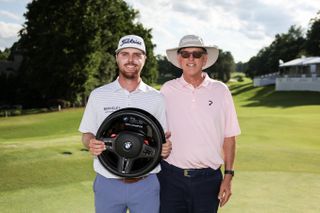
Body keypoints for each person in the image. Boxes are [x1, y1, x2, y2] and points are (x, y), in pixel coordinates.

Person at [79, 34, 172, 213]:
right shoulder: (99, 95)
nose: (131, 60)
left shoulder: (157, 98)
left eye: (137, 54)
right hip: (107, 184)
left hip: (146, 185)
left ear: (145, 59)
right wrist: (91, 143)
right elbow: (86, 134)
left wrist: (166, 148)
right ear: (116, 57)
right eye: (125, 54)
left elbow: (161, 140)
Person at [158, 34, 241, 213]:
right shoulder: (167, 90)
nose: (191, 58)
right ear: (179, 59)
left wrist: (228, 176)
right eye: (185, 54)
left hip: (208, 181)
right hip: (171, 178)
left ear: (205, 59)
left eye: (196, 54)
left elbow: (229, 138)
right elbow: (157, 133)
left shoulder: (221, 90)